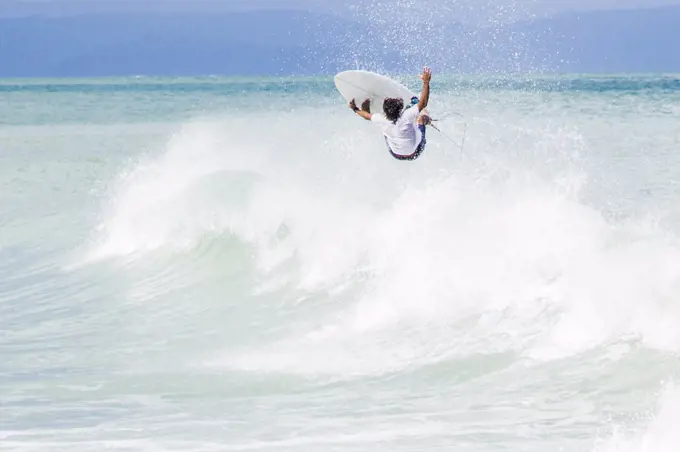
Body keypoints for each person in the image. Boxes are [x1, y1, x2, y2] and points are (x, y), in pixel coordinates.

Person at [349, 66, 433, 161]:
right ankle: (426, 119)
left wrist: (355, 109)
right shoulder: (406, 116)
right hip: (415, 153)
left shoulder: (382, 119)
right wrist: (426, 82)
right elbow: (423, 102)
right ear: (400, 110)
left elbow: (366, 116)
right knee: (421, 117)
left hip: (395, 154)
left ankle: (369, 109)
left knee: (383, 126)